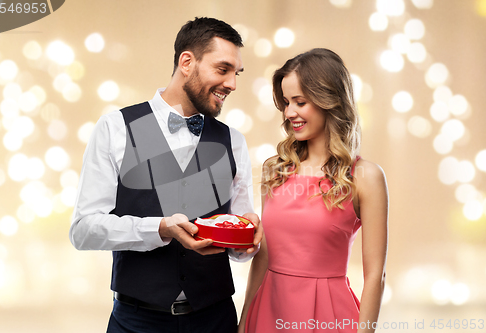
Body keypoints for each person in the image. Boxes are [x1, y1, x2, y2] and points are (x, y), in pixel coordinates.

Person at [69, 17, 262, 333]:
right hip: (136, 322)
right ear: (187, 62)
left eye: (236, 73)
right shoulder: (115, 128)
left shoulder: (234, 141)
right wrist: (159, 229)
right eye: (223, 69)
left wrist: (247, 239)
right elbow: (83, 229)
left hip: (216, 320)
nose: (232, 84)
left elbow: (239, 246)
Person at [239, 48, 388, 333]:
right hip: (268, 314)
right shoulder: (275, 169)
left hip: (328, 317)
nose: (289, 112)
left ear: (328, 101)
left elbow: (375, 277)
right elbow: (264, 255)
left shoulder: (365, 176)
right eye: (285, 102)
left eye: (300, 102)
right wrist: (245, 320)